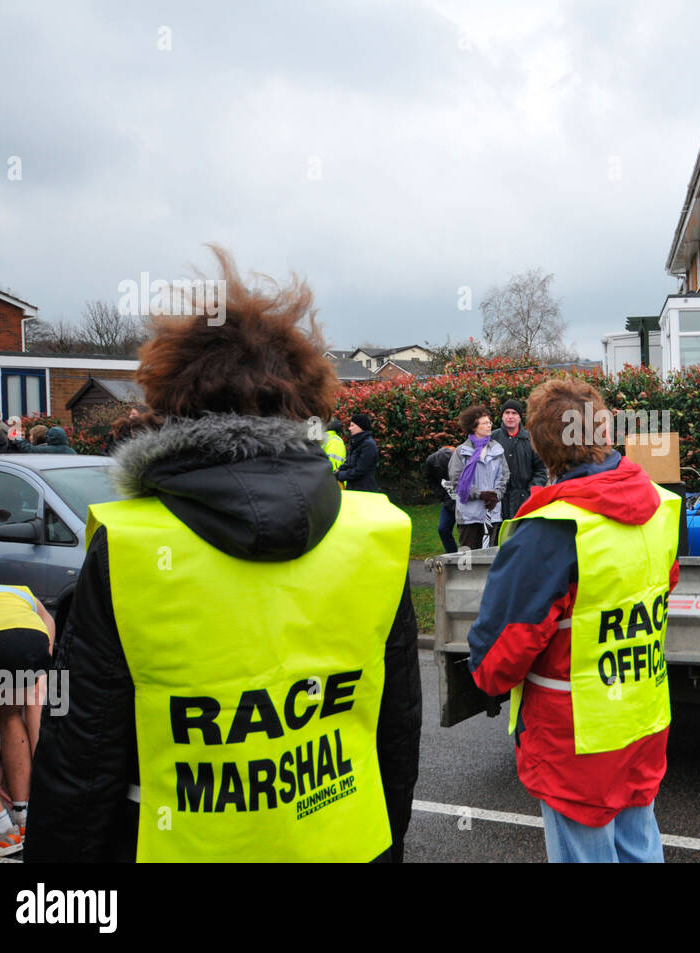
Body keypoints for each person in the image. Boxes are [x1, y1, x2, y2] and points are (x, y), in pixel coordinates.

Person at [25, 246, 421, 862]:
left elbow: (81, 756)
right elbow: (394, 730)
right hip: (343, 843)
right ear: (308, 401)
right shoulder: (373, 535)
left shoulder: (133, 547)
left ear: (173, 402)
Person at [467, 378, 681, 863]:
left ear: (541, 448)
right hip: (642, 722)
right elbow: (660, 585)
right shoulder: (660, 507)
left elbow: (498, 659)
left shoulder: (552, 529)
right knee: (640, 846)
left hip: (575, 742)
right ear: (605, 428)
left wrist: (480, 671)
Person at [0, 578, 56, 857]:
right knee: (10, 715)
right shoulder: (24, 594)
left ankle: (1, 832)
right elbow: (35, 701)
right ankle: (25, 819)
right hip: (27, 636)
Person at [448, 405, 508, 550]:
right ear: (474, 427)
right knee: (468, 561)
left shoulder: (497, 450)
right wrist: (480, 494)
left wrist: (496, 495)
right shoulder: (461, 452)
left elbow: (504, 476)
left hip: (491, 514)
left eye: (489, 422)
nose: (489, 426)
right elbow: (457, 482)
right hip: (469, 516)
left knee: (487, 559)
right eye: (485, 423)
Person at [491, 398, 547, 525]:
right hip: (498, 501)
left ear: (520, 417)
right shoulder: (492, 439)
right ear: (502, 416)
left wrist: (531, 491)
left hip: (523, 500)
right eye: (507, 413)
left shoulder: (531, 440)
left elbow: (541, 470)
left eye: (514, 413)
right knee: (497, 541)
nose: (510, 416)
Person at [423, 444, 458, 554]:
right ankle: (452, 555)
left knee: (466, 533)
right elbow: (430, 480)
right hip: (448, 500)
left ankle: (469, 560)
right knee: (443, 529)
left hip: (466, 501)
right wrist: (442, 496)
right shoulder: (431, 462)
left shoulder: (463, 459)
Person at [335, 413, 381, 492]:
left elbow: (359, 471)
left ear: (361, 427)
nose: (349, 428)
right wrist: (339, 470)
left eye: (352, 425)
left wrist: (340, 475)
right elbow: (349, 463)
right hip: (353, 489)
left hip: (364, 491)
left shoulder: (368, 445)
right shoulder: (356, 442)